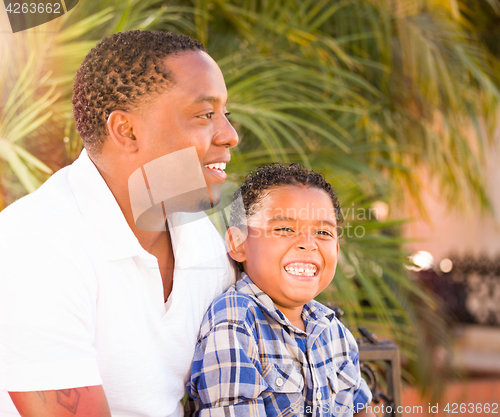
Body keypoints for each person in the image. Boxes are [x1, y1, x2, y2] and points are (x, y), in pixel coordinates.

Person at [0, 30, 238, 417]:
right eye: (205, 115)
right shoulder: (34, 245)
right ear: (126, 131)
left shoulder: (198, 237)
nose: (230, 135)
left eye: (226, 114)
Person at [186, 163, 376, 416]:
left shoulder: (334, 332)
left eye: (322, 232)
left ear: (337, 250)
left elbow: (361, 409)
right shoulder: (236, 321)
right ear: (238, 243)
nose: (308, 244)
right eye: (285, 229)